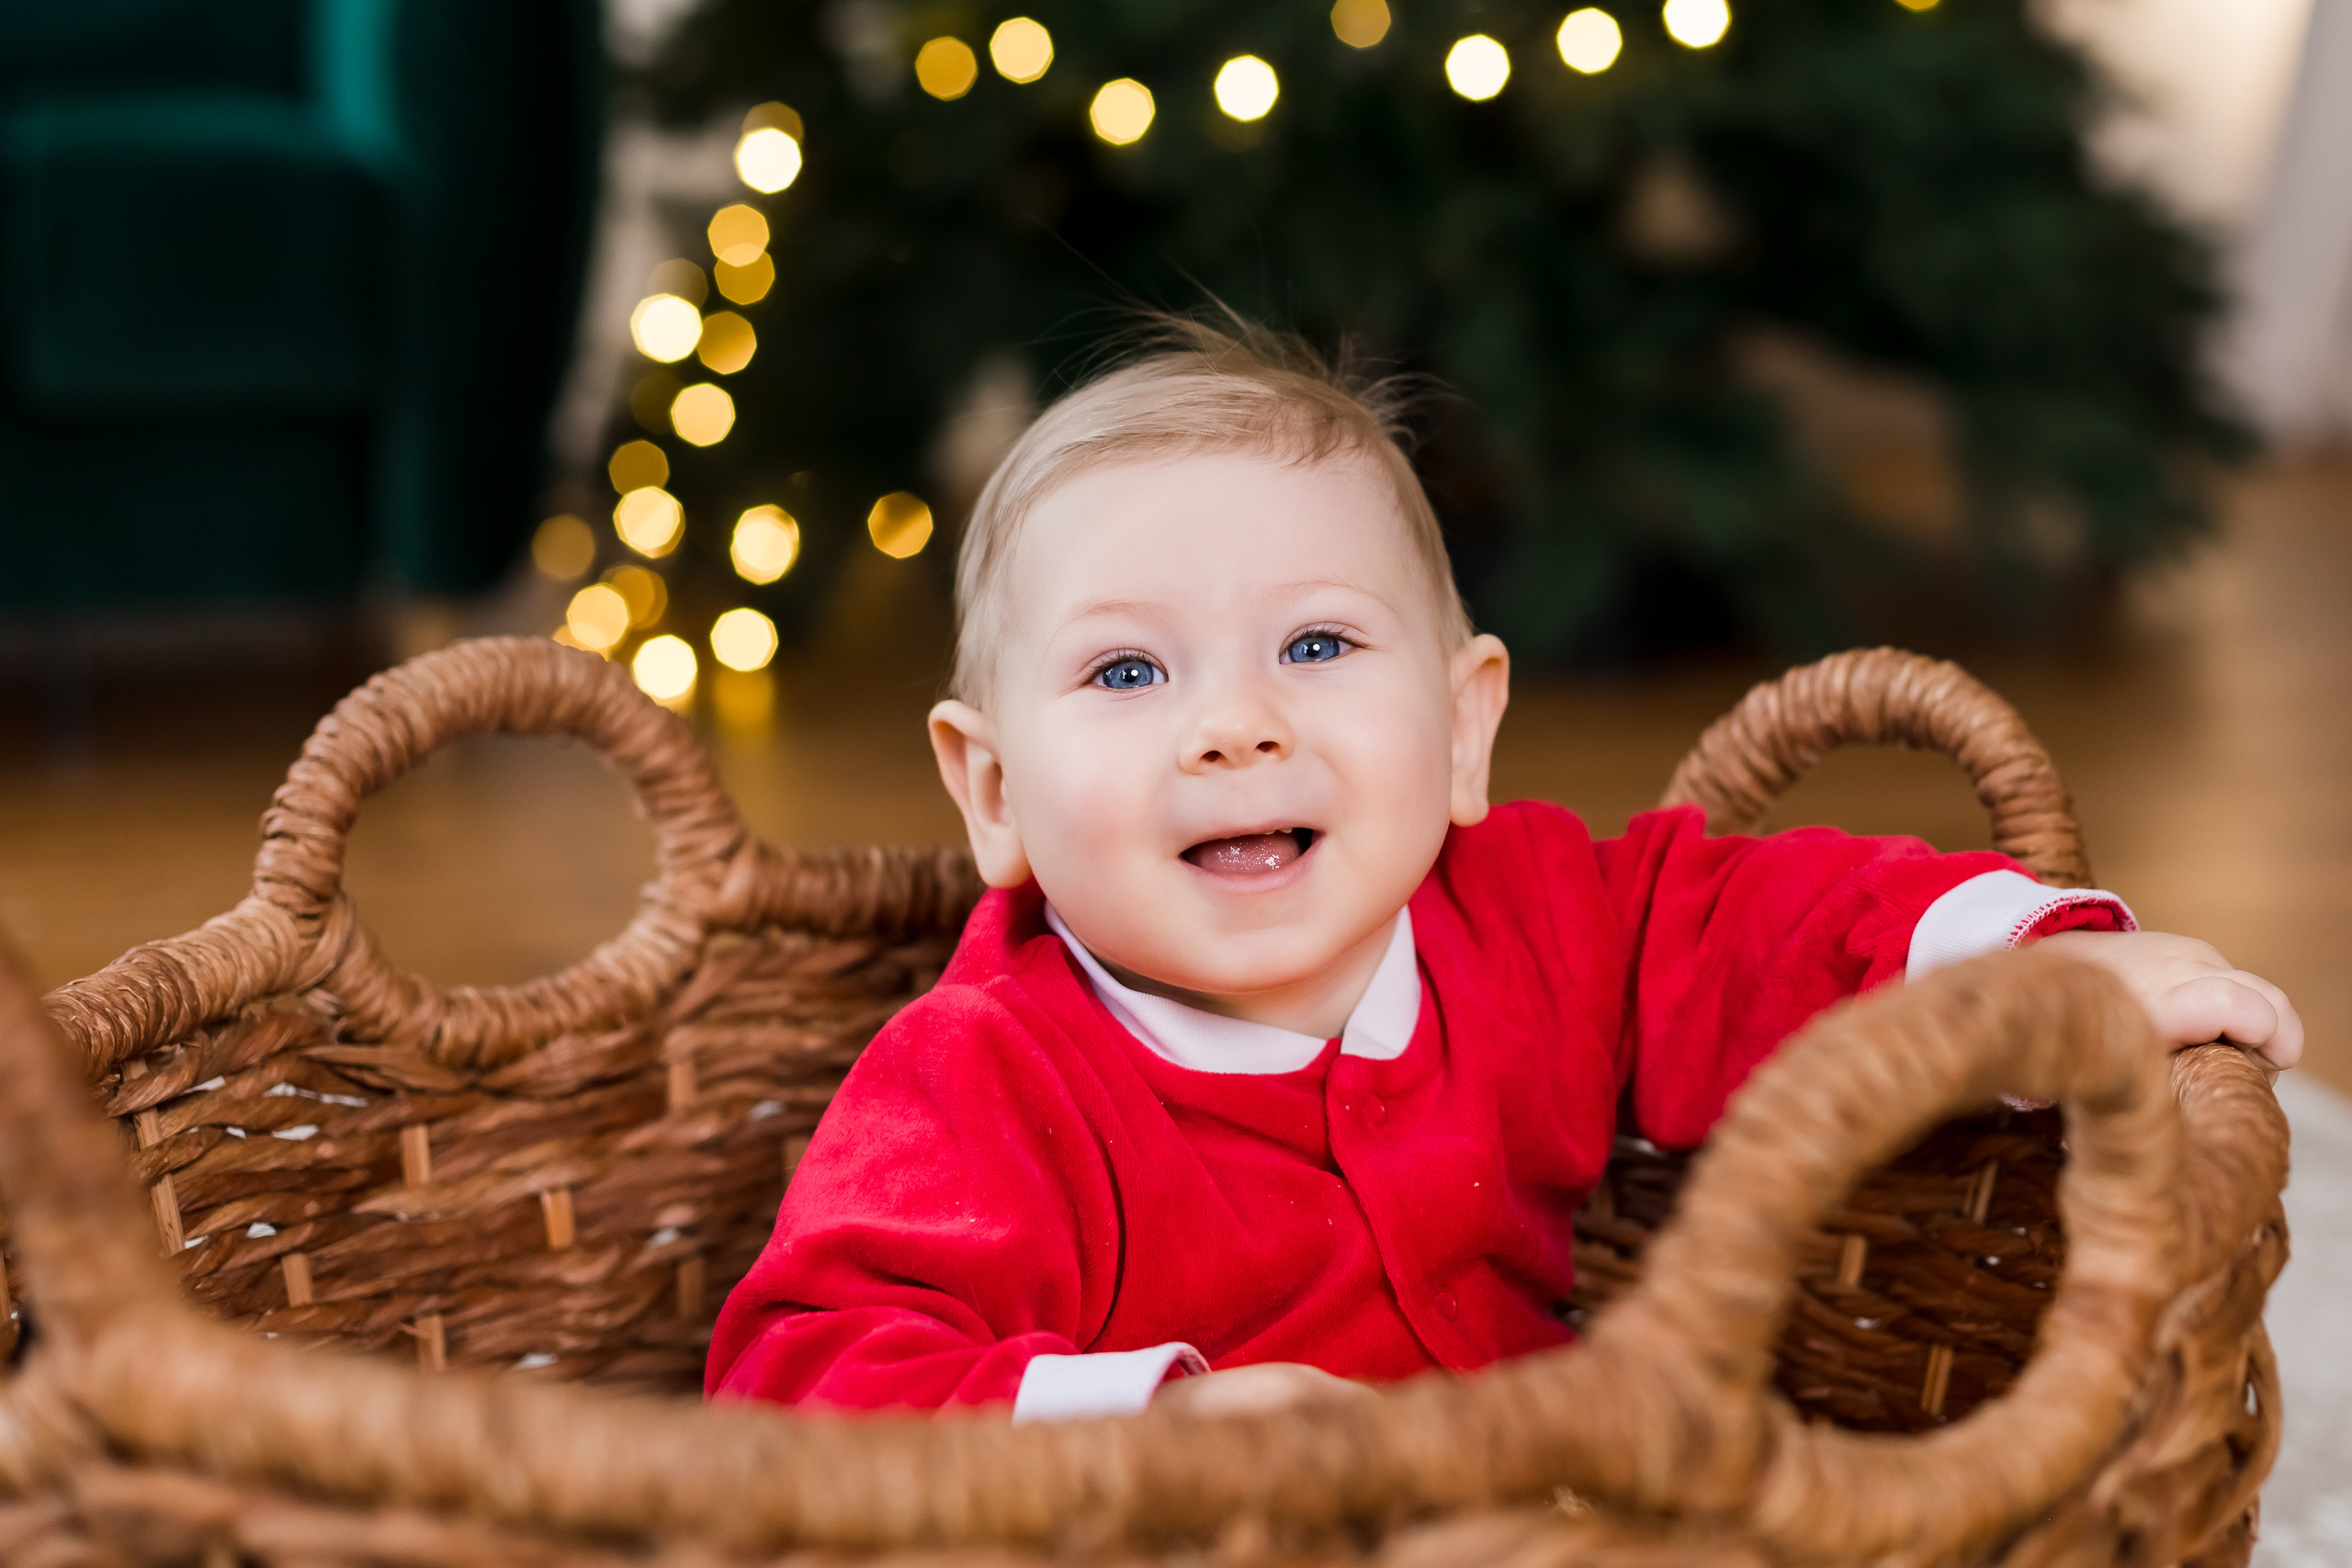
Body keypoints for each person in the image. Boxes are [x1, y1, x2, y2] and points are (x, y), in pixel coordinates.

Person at [707, 320, 2302, 1423]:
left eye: (1316, 644)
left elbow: (1755, 927)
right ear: (992, 791)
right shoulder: (978, 1085)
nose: (1235, 728)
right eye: (1128, 675)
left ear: (1467, 731)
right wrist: (1134, 1424)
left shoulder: (1529, 914)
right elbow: (802, 1374)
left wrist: (2027, 961)